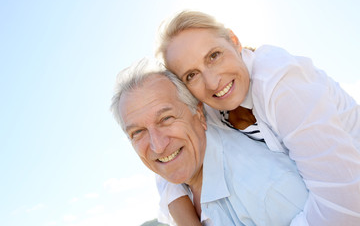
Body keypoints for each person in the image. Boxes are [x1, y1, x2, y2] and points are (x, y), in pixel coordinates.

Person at [155, 10, 360, 225]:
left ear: (234, 41)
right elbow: (166, 155)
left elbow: (347, 205)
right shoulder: (208, 106)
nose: (213, 82)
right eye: (191, 75)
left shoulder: (280, 83)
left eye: (214, 56)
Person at [110, 58, 309, 225]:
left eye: (166, 119)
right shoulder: (180, 172)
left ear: (199, 113)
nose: (158, 146)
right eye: (138, 132)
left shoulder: (268, 191)